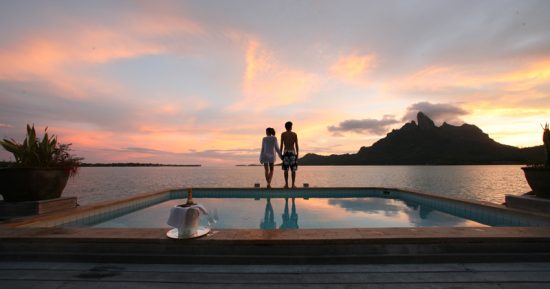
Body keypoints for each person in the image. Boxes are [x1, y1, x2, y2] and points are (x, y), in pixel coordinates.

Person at [280, 121, 299, 188]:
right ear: (291, 127)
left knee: (286, 170)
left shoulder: (283, 134)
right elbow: (296, 145)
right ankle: (293, 184)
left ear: (285, 127)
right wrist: (297, 154)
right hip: (292, 152)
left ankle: (286, 184)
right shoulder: (294, 134)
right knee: (293, 170)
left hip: (285, 152)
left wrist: (280, 154)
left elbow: (281, 145)